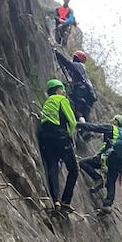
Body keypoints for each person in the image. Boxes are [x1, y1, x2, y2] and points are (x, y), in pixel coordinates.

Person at [78, 115, 122, 214]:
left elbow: (94, 127)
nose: (111, 120)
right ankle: (107, 205)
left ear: (116, 122)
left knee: (83, 163)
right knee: (110, 182)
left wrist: (78, 124)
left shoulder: (111, 128)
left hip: (108, 157)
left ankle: (97, 178)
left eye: (113, 119)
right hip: (119, 163)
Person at [37, 79, 78, 213]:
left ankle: (55, 201)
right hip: (60, 136)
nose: (64, 91)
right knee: (73, 170)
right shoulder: (61, 99)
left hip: (45, 137)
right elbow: (72, 121)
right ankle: (65, 201)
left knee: (52, 167)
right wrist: (70, 135)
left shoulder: (47, 102)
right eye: (62, 89)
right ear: (57, 90)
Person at [54, 49, 96, 122]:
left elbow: (67, 63)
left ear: (76, 58)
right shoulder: (83, 69)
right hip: (89, 94)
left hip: (81, 90)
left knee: (76, 107)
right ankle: (87, 130)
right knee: (85, 113)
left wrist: (57, 53)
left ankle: (81, 123)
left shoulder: (78, 65)